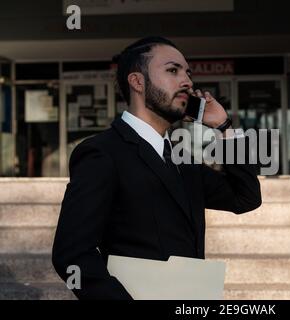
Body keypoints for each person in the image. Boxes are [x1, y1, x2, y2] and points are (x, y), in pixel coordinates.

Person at [51, 36, 262, 300]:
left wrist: (224, 128)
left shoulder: (181, 159)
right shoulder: (102, 153)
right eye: (173, 70)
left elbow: (246, 197)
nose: (187, 81)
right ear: (137, 81)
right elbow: (71, 254)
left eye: (188, 73)